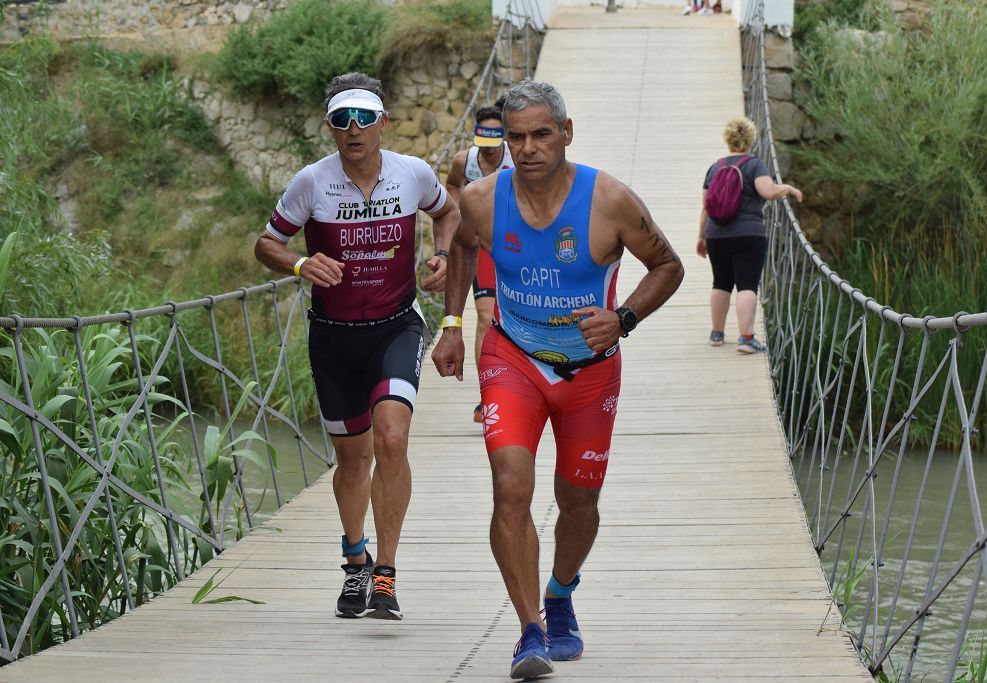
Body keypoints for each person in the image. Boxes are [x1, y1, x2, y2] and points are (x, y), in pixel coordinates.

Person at [431, 81, 683, 680]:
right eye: (516, 136)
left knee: (578, 500)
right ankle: (530, 631)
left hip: (589, 373)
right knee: (510, 486)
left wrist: (623, 319)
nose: (528, 148)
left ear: (566, 133)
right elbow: (464, 248)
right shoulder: (482, 199)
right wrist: (451, 321)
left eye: (542, 134)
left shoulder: (610, 201)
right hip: (511, 360)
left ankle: (561, 591)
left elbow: (669, 265)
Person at [254, 72, 460, 621]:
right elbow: (266, 242)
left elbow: (448, 210)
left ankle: (386, 575)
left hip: (396, 327)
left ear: (383, 124)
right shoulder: (311, 183)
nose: (354, 129)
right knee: (352, 459)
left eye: (364, 118)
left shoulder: (411, 174)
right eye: (342, 119)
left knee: (391, 438)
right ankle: (355, 562)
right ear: (329, 127)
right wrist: (300, 263)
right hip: (333, 337)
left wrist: (440, 254)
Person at [696, 116, 802, 353]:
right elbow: (768, 191)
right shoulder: (754, 165)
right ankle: (745, 338)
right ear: (751, 139)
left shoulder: (715, 167)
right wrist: (789, 189)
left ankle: (717, 334)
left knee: (721, 282)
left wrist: (701, 236)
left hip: (716, 235)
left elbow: (706, 206)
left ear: (728, 138)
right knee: (747, 284)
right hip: (748, 234)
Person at [444, 99, 514, 424]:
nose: (487, 151)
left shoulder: (519, 156)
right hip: (481, 247)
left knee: (515, 316)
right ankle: (488, 397)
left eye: (493, 143)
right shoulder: (464, 161)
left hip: (517, 246)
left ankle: (524, 384)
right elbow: (453, 184)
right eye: (481, 143)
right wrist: (462, 213)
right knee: (485, 317)